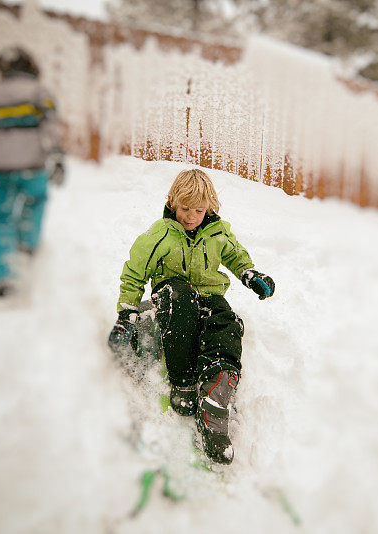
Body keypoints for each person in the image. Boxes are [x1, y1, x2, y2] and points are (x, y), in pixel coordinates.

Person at [108, 169, 275, 464]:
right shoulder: (159, 235)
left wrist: (249, 274)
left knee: (227, 324)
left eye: (198, 210)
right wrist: (127, 313)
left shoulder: (218, 233)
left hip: (209, 298)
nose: (190, 216)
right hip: (172, 297)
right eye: (185, 209)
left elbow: (236, 255)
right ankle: (183, 381)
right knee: (181, 299)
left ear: (209, 208)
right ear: (172, 202)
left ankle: (215, 402)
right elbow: (134, 273)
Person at [0, 47, 65, 297]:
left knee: (0, 218)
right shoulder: (39, 92)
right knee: (35, 200)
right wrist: (57, 156)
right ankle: (26, 246)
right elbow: (50, 128)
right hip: (30, 164)